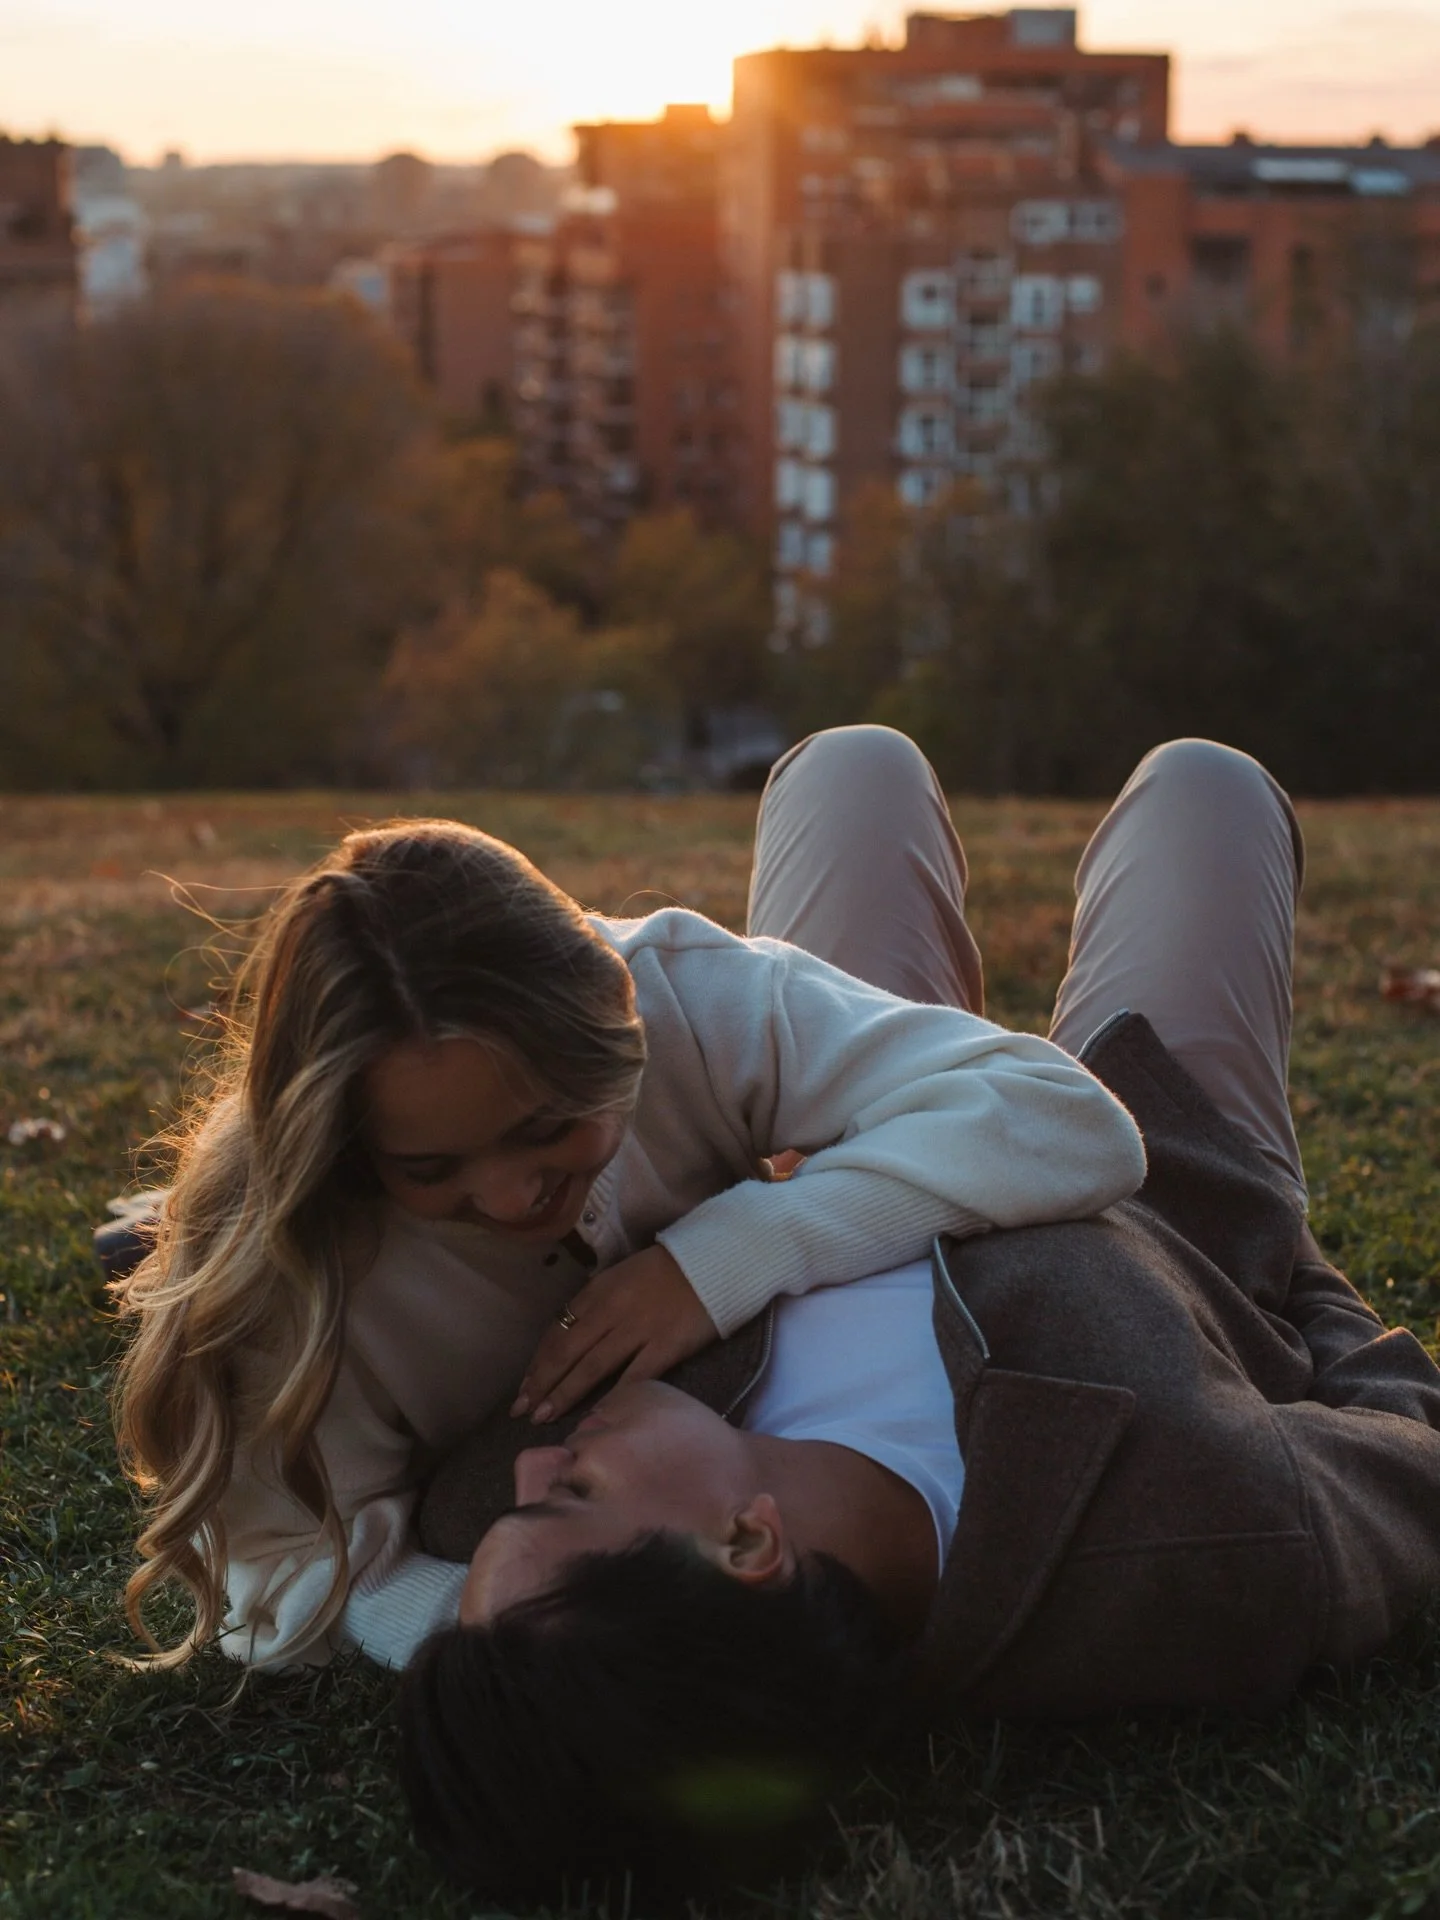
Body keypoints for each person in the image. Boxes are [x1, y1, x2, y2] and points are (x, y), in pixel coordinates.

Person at [395, 736, 1440, 1903]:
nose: (534, 1461)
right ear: (748, 1544)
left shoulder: (501, 1497)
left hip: (854, 1104)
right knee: (1208, 788)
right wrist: (1282, 1261)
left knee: (849, 768)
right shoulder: (1212, 1538)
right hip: (1166, 1149)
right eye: (571, 1496)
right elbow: (1408, 1435)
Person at [111, 726, 1146, 1670]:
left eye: (547, 1127)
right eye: (431, 1170)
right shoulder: (289, 1286)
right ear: (350, 1147)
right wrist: (529, 1625)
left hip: (790, 1296)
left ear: (622, 1030)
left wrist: (721, 1259)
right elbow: (286, 1573)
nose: (514, 1195)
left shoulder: (677, 992)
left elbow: (1069, 1119)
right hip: (674, 1450)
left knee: (857, 761)